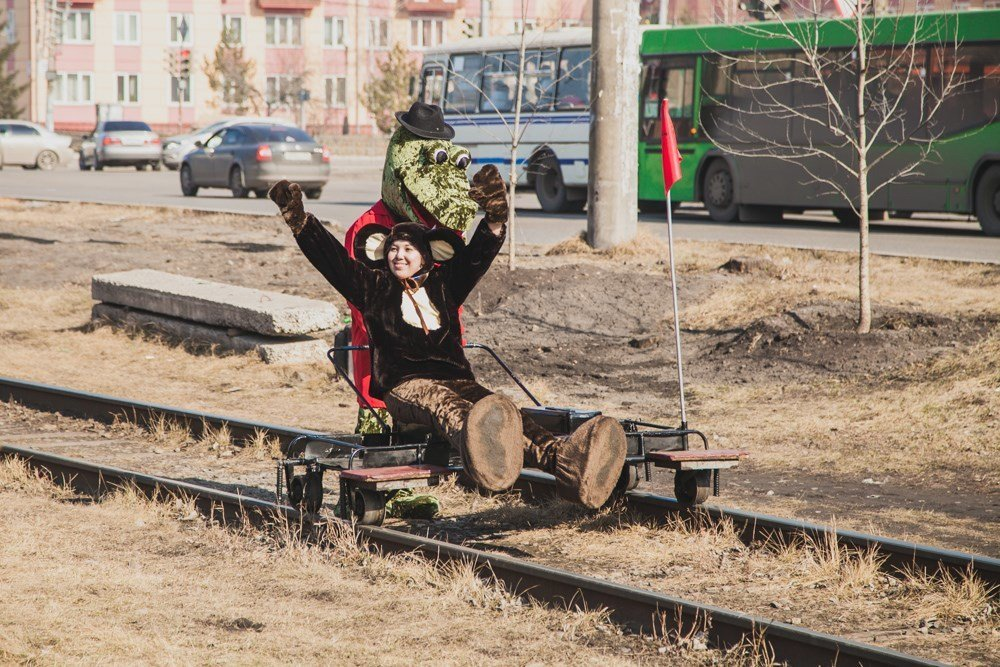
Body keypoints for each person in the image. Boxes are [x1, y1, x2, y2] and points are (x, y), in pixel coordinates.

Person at [268, 168, 627, 509]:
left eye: (408, 250)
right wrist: (300, 220)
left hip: (457, 378)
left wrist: (495, 219)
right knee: (446, 404)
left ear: (426, 256)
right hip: (405, 385)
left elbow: (477, 258)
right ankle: (488, 464)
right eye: (393, 249)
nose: (398, 256)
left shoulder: (444, 285)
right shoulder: (373, 287)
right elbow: (331, 261)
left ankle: (569, 465)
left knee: (502, 410)